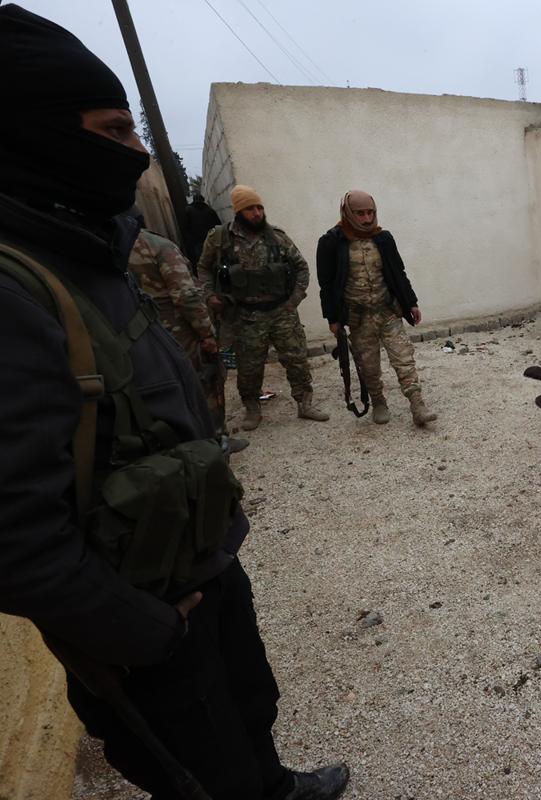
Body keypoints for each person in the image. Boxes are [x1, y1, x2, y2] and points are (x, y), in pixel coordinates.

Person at [0, 7, 348, 799]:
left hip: (199, 556)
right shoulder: (19, 289)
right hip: (140, 610)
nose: (137, 151)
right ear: (31, 131)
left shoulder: (91, 253)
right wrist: (141, 630)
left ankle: (276, 787)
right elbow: (14, 537)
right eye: (114, 129)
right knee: (200, 766)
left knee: (249, 708)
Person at [196, 184, 329, 430]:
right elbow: (203, 268)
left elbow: (301, 267)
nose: (257, 213)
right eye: (250, 209)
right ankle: (252, 408)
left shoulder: (277, 237)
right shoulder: (220, 238)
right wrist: (209, 295)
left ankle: (305, 403)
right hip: (246, 316)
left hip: (282, 313)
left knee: (297, 360)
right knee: (249, 367)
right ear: (238, 211)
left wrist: (294, 300)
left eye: (259, 207)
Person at [315, 190, 437, 426]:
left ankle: (417, 405)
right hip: (359, 318)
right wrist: (332, 318)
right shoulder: (331, 242)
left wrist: (411, 302)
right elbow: (326, 285)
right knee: (368, 365)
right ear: (348, 213)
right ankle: (379, 402)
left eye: (371, 212)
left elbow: (398, 272)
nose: (367, 218)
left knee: (404, 359)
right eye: (360, 213)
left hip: (388, 311)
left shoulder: (383, 238)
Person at [127, 222, 247, 453]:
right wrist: (207, 333)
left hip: (140, 337)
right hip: (178, 333)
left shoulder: (110, 248)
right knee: (207, 381)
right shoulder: (156, 245)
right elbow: (186, 295)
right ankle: (216, 441)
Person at [181, 190, 221, 267]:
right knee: (215, 260)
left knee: (202, 262)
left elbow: (185, 227)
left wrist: (189, 240)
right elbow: (218, 225)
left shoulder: (188, 210)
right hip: (211, 239)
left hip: (197, 241)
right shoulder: (210, 210)